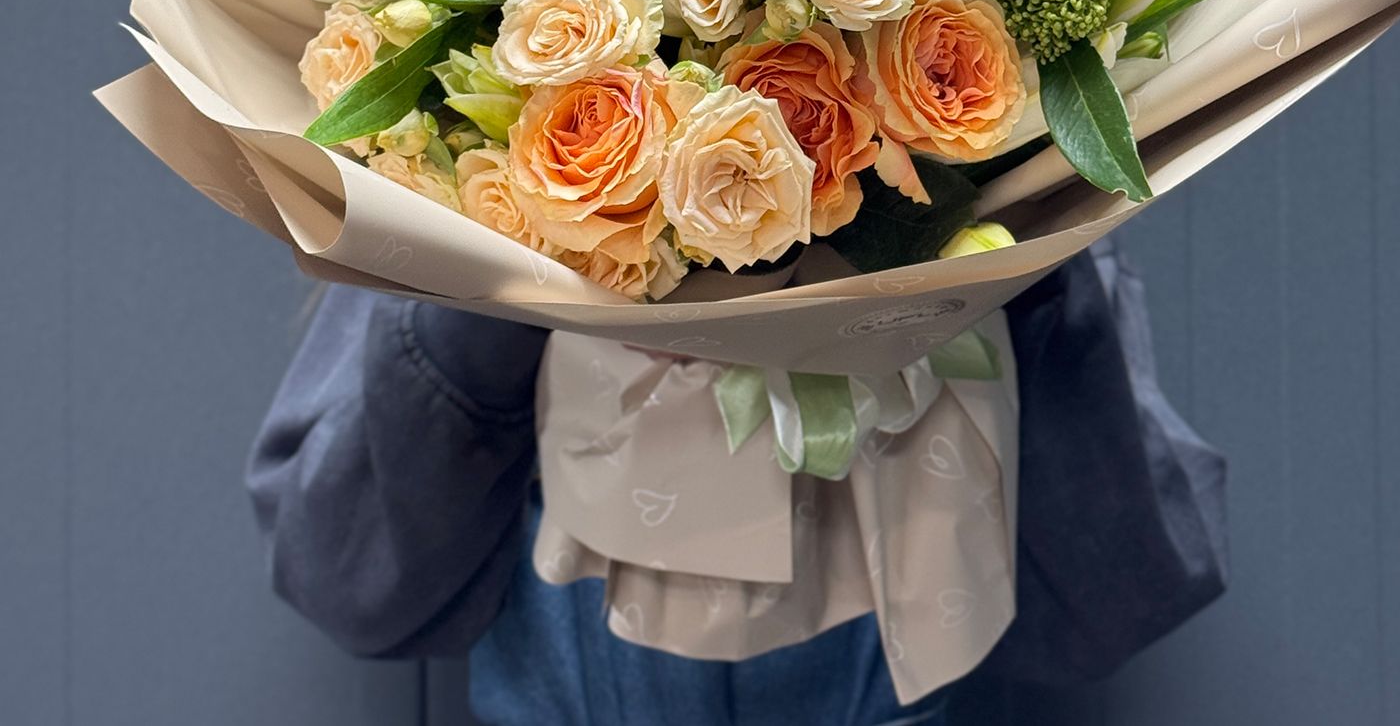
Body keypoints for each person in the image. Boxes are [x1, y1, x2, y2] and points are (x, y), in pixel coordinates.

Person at [249, 237, 1227, 725]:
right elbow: (343, 578)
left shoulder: (989, 166)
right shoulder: (481, 161)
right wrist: (503, 263)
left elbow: (1131, 592)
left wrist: (1013, 261)